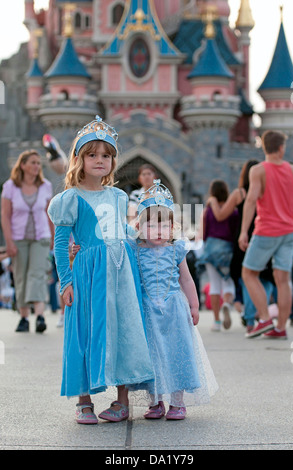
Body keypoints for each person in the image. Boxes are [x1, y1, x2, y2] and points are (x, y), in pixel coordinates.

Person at [47, 115, 154, 425]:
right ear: (79, 158)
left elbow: (123, 233)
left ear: (113, 160)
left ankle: (121, 401)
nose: (99, 161)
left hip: (121, 275)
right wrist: (65, 281)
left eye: (106, 155)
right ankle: (83, 400)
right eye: (92, 154)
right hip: (88, 275)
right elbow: (60, 243)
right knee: (84, 330)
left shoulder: (119, 197)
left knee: (123, 330)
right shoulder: (69, 199)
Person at [130, 180, 218, 419]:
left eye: (164, 225)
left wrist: (194, 305)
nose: (158, 231)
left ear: (172, 227)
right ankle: (155, 400)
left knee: (177, 353)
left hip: (174, 311)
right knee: (152, 357)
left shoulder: (176, 249)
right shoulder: (136, 250)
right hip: (148, 311)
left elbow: (187, 280)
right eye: (152, 225)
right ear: (139, 226)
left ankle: (177, 402)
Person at [239, 130, 293, 339]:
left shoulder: (258, 170)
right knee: (283, 279)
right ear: (281, 147)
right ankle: (280, 328)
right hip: (290, 230)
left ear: (264, 147)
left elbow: (251, 200)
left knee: (249, 273)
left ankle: (264, 318)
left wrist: (244, 231)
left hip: (267, 230)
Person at [207, 160, 277, 334]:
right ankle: (263, 315)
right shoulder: (268, 190)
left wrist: (213, 201)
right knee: (266, 277)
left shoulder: (239, 193)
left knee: (247, 276)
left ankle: (251, 318)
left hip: (245, 237)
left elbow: (221, 215)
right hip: (267, 233)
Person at [1, 149, 54, 333]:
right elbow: (5, 216)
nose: (36, 166)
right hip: (18, 239)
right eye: (32, 162)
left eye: (38, 163)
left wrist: (54, 237)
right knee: (21, 276)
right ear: (22, 165)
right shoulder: (10, 187)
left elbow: (49, 214)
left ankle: (39, 316)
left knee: (37, 274)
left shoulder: (46, 186)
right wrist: (9, 242)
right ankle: (24, 318)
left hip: (41, 237)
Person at [198, 180, 239, 332]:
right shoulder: (233, 211)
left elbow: (203, 232)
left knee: (214, 284)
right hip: (227, 248)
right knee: (228, 282)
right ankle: (227, 303)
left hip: (211, 247)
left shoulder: (207, 211)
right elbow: (235, 231)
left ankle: (216, 321)